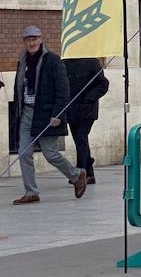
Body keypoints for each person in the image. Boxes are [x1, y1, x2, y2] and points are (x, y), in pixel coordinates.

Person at [10, 26, 86, 204]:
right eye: (28, 39)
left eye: (35, 39)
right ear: (24, 42)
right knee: (23, 153)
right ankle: (31, 192)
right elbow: (19, 87)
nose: (32, 42)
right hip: (26, 112)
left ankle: (77, 175)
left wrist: (58, 113)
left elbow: (63, 89)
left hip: (46, 113)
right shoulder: (22, 59)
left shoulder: (53, 60)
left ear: (41, 39)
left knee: (50, 153)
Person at [61, 54, 108, 185]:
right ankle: (89, 173)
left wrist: (89, 98)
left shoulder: (92, 62)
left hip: (87, 110)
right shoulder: (64, 63)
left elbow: (103, 84)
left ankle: (80, 172)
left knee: (81, 137)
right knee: (79, 140)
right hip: (71, 109)